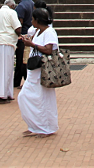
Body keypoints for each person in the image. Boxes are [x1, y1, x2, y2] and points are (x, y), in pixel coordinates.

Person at [18, 8, 60, 138]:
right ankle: (35, 125)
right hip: (34, 71)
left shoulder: (49, 32)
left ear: (37, 20)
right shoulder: (38, 32)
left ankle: (45, 128)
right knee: (25, 97)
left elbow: (48, 50)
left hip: (44, 71)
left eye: (32, 19)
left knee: (43, 100)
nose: (31, 22)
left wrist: (32, 45)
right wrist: (29, 41)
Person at [0, 0, 22, 103]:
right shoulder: (12, 13)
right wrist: (19, 35)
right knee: (6, 69)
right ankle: (2, 95)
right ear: (12, 5)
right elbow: (18, 28)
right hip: (7, 42)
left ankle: (6, 93)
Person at [14, 0, 35, 89]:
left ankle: (18, 82)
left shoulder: (21, 6)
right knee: (25, 59)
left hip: (23, 35)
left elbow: (19, 22)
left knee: (20, 60)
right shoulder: (32, 3)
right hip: (30, 34)